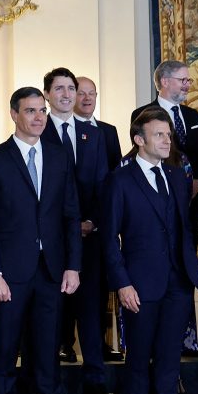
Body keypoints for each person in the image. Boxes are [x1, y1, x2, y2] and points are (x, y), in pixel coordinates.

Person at [0, 86, 81, 394]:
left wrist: (73, 265)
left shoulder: (59, 156)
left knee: (48, 354)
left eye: (42, 111)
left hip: (52, 272)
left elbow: (70, 215)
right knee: (5, 354)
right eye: (31, 111)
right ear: (14, 114)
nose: (38, 117)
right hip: (10, 275)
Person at [101, 107, 198, 394]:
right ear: (139, 140)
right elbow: (109, 238)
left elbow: (181, 228)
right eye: (159, 134)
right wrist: (123, 283)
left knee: (169, 359)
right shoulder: (120, 180)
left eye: (168, 134)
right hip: (139, 285)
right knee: (139, 359)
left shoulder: (177, 177)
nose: (167, 140)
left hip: (177, 283)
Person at [40, 68, 113, 394]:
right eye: (60, 89)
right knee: (50, 312)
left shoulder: (94, 135)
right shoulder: (37, 135)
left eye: (72, 88)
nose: (68, 94)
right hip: (50, 240)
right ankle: (47, 383)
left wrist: (91, 222)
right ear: (47, 96)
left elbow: (104, 186)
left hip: (90, 237)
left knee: (92, 310)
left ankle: (96, 379)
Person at [132, 60, 198, 357]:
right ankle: (161, 342)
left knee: (184, 272)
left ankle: (187, 339)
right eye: (183, 80)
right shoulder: (144, 114)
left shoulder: (191, 115)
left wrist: (197, 183)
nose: (188, 85)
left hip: (187, 208)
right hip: (156, 211)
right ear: (164, 82)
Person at [73, 75, 125, 363]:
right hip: (65, 229)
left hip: (97, 227)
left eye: (93, 93)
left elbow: (112, 181)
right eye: (82, 93)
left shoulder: (107, 131)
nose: (88, 98)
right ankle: (66, 344)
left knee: (96, 294)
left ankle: (101, 349)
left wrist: (95, 220)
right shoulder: (54, 131)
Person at [74, 77, 122, 171]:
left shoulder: (109, 130)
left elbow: (116, 168)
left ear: (96, 96)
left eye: (91, 93)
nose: (87, 98)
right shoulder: (66, 130)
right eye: (81, 94)